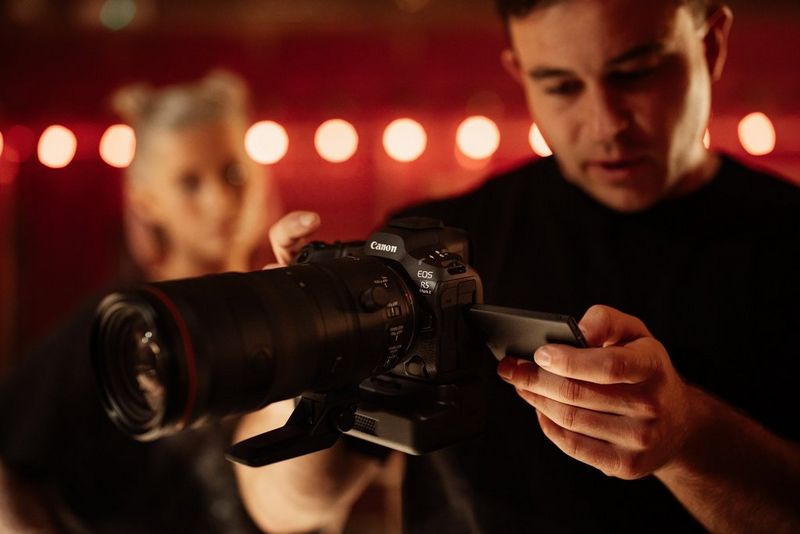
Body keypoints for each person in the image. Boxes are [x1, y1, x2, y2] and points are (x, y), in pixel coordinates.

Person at [236, 1, 800, 532]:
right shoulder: (432, 243)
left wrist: (690, 437)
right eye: (560, 86)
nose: (605, 124)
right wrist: (310, 353)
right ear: (519, 70)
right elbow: (286, 511)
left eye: (636, 73)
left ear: (712, 42)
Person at [0, 71, 280, 532]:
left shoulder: (287, 308)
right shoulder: (115, 325)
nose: (220, 200)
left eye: (232, 173)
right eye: (189, 183)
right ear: (146, 201)